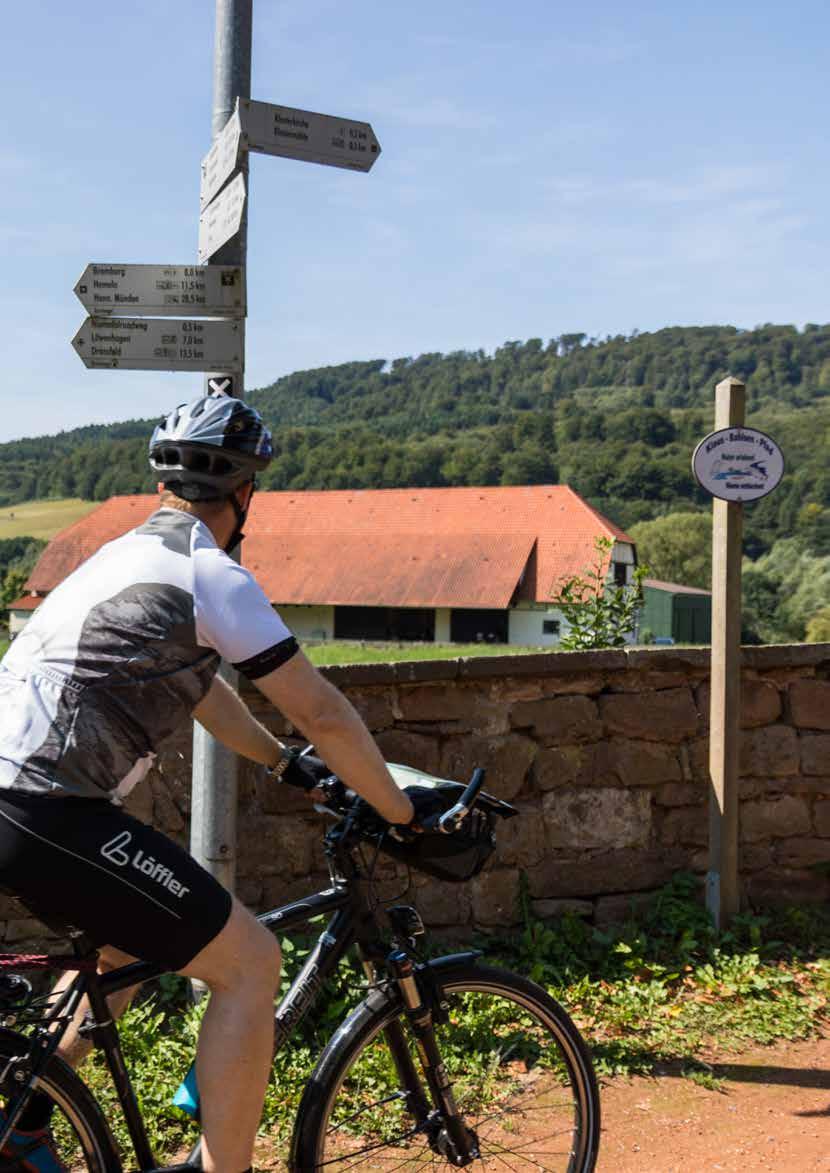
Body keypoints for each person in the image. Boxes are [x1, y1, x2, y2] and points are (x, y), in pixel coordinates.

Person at [0, 391, 426, 1173]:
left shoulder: (123, 557)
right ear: (244, 492)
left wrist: (280, 763)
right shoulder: (209, 574)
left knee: (130, 938)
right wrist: (399, 811)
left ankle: (26, 1124)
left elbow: (202, 691)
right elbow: (326, 712)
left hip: (22, 805)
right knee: (252, 961)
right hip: (47, 810)